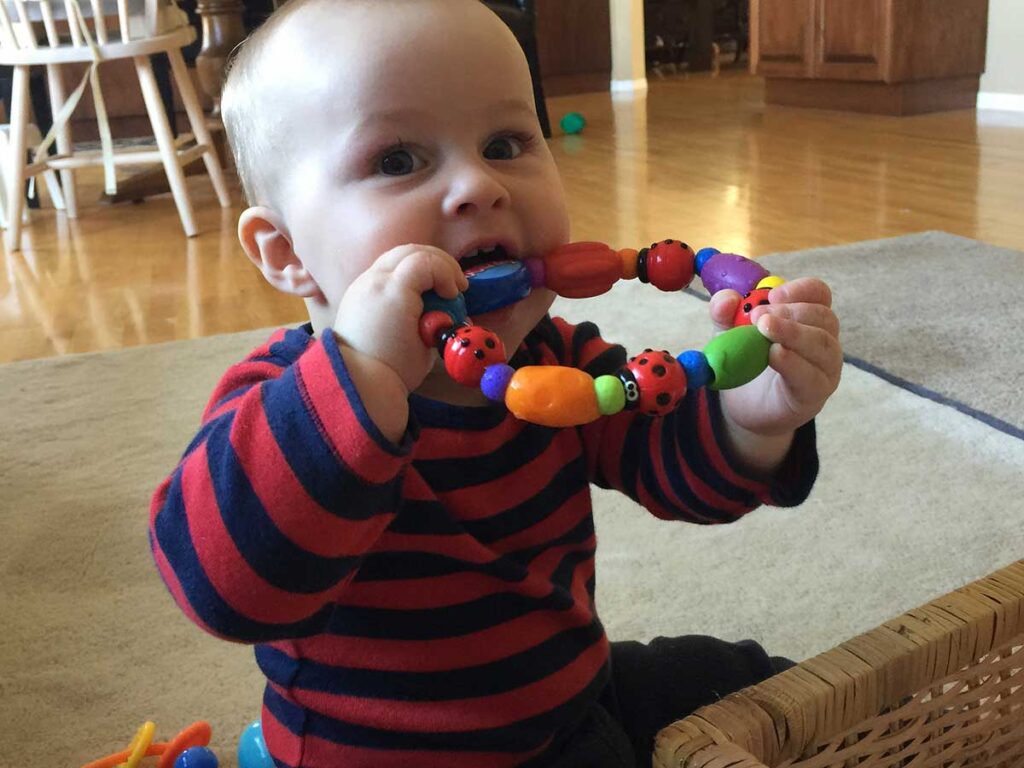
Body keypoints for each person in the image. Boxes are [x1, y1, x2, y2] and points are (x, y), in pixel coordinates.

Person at [148, 0, 843, 765]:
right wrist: (363, 379)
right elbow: (222, 586)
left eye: (506, 142)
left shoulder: (558, 361)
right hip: (384, 756)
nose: (479, 185)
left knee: (748, 683)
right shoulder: (285, 405)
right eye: (397, 161)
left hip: (563, 696)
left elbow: (670, 466)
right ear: (285, 253)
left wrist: (751, 420)